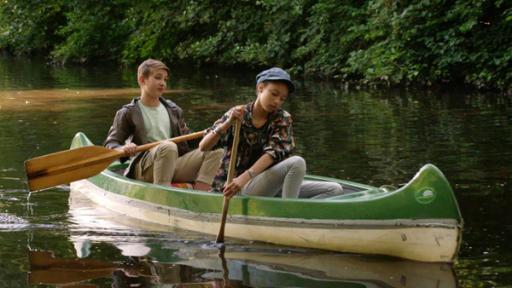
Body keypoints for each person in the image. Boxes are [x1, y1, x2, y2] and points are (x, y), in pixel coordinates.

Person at [199, 67, 343, 199]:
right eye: (274, 94)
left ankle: (291, 212)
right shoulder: (237, 114)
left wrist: (244, 178)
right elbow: (203, 146)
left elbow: (272, 154)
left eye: (282, 98)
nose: (277, 101)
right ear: (260, 88)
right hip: (233, 188)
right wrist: (227, 123)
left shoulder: (282, 118)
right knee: (297, 162)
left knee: (334, 190)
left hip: (262, 183)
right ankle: (288, 213)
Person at [104, 59, 222, 191]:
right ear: (142, 80)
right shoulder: (128, 112)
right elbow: (110, 145)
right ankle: (162, 193)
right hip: (144, 170)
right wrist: (124, 148)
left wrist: (214, 132)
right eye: (158, 78)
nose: (163, 83)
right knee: (168, 146)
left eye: (165, 79)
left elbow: (189, 139)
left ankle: (201, 196)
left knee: (216, 150)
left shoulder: (173, 110)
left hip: (172, 163)